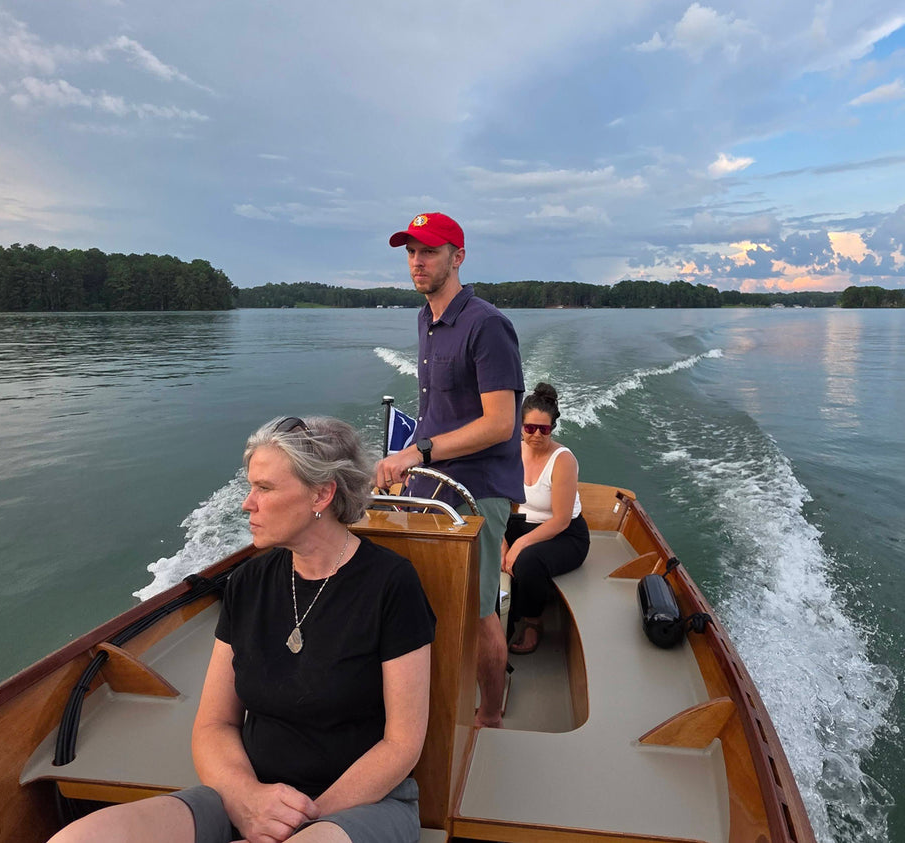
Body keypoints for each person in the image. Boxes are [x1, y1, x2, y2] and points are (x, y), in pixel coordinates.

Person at [50, 416, 435, 843]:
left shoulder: (390, 584)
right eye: (250, 487)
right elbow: (214, 724)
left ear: (322, 494)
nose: (246, 504)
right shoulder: (248, 583)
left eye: (265, 488)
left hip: (362, 805)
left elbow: (401, 744)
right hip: (249, 796)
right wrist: (247, 798)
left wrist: (297, 822)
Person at [374, 212, 523, 730]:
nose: (417, 261)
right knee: (423, 590)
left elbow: (501, 424)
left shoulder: (486, 324)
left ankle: (490, 713)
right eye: (411, 251)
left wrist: (418, 453)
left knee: (478, 606)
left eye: (430, 251)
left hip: (478, 487)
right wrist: (402, 461)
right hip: (431, 482)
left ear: (457, 257)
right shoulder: (426, 319)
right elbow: (437, 411)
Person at [502, 383, 590, 655]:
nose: (536, 435)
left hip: (565, 535)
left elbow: (562, 520)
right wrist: (501, 541)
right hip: (521, 525)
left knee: (528, 561)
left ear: (553, 428)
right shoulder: (511, 453)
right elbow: (502, 504)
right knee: (483, 544)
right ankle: (494, 615)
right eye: (530, 428)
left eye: (544, 429)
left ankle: (532, 623)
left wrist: (517, 546)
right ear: (520, 426)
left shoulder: (563, 461)